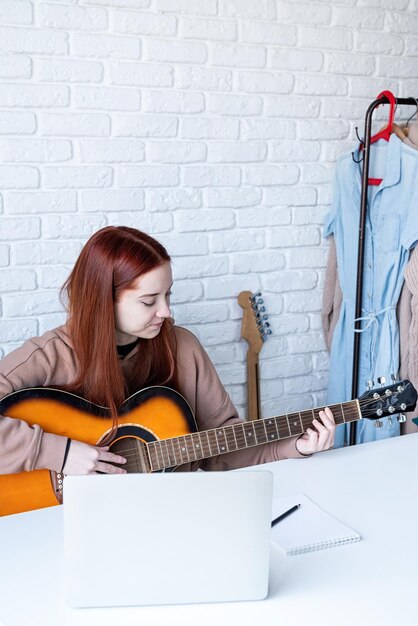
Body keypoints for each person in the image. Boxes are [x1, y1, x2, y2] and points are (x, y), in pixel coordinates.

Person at [0, 226, 335, 483]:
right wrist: (59, 453)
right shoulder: (50, 355)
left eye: (167, 295)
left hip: (171, 515)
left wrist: (295, 447)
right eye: (149, 301)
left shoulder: (182, 347)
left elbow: (221, 449)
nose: (166, 311)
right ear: (103, 300)